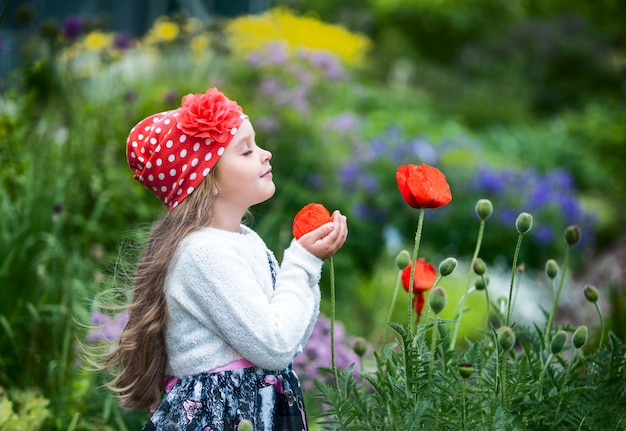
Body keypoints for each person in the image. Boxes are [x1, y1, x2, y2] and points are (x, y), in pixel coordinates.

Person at [102, 87, 348, 430]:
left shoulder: (245, 241)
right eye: (246, 151)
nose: (265, 154)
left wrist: (310, 264)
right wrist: (302, 261)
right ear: (207, 181)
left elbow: (289, 340)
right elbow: (274, 347)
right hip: (224, 416)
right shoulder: (203, 253)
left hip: (254, 408)